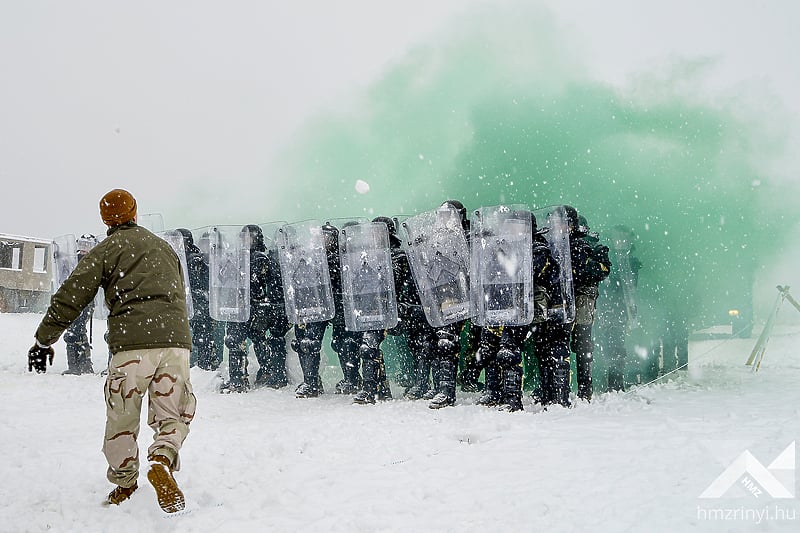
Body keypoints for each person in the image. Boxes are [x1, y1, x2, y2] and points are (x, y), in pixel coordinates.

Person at [28, 189, 195, 513]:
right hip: (174, 343)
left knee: (122, 416)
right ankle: (162, 456)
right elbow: (179, 292)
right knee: (173, 413)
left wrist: (44, 340)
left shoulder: (105, 251)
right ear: (135, 212)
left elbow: (71, 297)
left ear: (106, 220)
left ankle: (124, 483)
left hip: (132, 348)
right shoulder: (164, 248)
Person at [569, 215, 611, 401]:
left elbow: (603, 270)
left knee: (583, 342)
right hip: (563, 296)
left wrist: (584, 265)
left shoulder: (595, 247)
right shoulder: (563, 244)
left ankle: (585, 387)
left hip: (584, 298)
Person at [61, 234, 98, 375]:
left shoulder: (94, 260)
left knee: (78, 331)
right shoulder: (72, 260)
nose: (84, 248)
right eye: (82, 245)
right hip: (72, 300)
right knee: (72, 331)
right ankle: (75, 364)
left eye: (87, 245)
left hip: (86, 302)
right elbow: (64, 276)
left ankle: (84, 364)